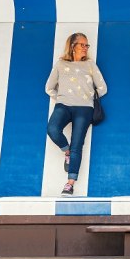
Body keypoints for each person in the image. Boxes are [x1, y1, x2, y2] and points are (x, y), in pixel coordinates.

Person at [45, 33, 107, 196]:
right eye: (82, 45)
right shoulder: (61, 64)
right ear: (72, 46)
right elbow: (49, 87)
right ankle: (67, 152)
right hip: (63, 105)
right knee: (52, 129)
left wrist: (87, 97)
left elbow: (102, 88)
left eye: (87, 45)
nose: (85, 48)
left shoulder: (90, 65)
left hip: (84, 108)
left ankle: (70, 184)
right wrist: (61, 97)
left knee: (77, 144)